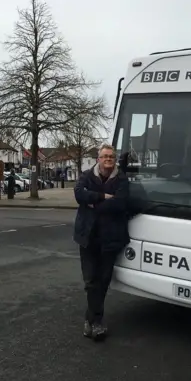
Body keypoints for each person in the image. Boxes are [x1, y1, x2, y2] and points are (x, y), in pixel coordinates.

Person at [73, 143, 130, 342]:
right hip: (88, 237)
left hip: (110, 239)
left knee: (103, 281)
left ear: (115, 160)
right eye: (105, 156)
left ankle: (92, 321)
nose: (108, 160)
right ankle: (96, 321)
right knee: (90, 281)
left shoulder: (122, 179)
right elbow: (79, 194)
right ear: (99, 158)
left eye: (111, 157)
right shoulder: (87, 175)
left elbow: (121, 203)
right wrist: (103, 197)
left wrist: (92, 203)